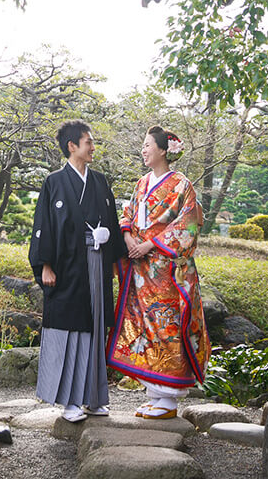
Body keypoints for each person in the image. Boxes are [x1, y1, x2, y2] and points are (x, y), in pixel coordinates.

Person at [106, 125, 211, 418]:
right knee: (144, 327)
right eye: (142, 145)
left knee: (166, 326)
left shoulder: (181, 185)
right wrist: (128, 238)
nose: (143, 150)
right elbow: (127, 214)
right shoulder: (141, 184)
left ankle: (170, 400)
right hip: (140, 269)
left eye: (147, 145)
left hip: (164, 270)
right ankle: (154, 394)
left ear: (163, 150)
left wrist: (150, 244)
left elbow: (188, 224)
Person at [29, 120, 126, 422]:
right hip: (66, 265)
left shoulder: (99, 181)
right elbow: (43, 226)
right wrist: (45, 264)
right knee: (69, 327)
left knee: (95, 326)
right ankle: (69, 401)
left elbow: (110, 218)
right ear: (72, 146)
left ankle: (94, 398)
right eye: (88, 142)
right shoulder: (54, 182)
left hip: (95, 262)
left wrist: (111, 255)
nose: (93, 147)